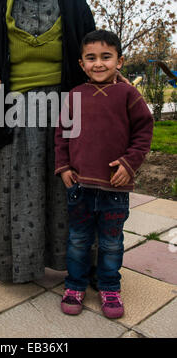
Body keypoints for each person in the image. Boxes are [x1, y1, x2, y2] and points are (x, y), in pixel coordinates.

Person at [0, 0, 96, 284]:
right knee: (18, 190)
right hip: (13, 109)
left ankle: (71, 263)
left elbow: (91, 48)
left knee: (66, 189)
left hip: (64, 107)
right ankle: (18, 267)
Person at [54, 29, 153, 318]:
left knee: (111, 242)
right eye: (91, 58)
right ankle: (74, 285)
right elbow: (62, 135)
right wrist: (64, 168)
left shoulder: (128, 94)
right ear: (81, 63)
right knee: (78, 240)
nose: (98, 64)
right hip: (80, 187)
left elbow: (144, 132)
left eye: (106, 57)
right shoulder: (74, 96)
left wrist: (129, 164)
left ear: (119, 61)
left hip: (115, 189)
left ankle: (110, 287)